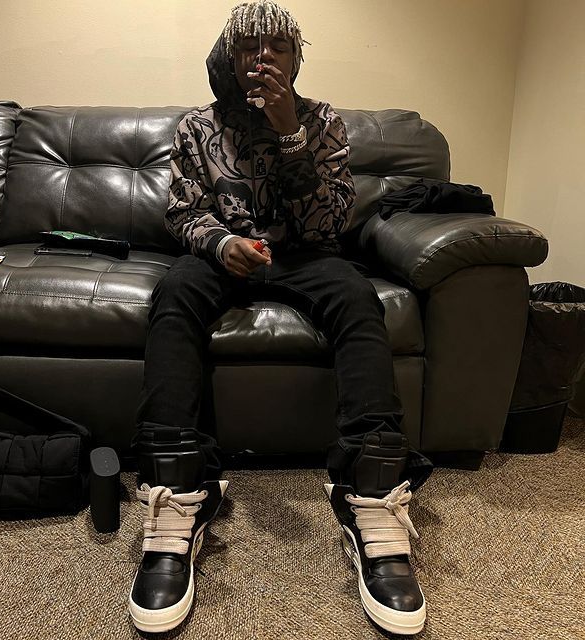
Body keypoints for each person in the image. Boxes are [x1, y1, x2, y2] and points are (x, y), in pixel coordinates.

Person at [128, 1, 433, 635]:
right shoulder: (196, 129)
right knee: (174, 294)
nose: (263, 59)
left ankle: (370, 497)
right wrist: (220, 245)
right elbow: (181, 215)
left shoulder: (324, 124)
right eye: (249, 49)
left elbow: (327, 225)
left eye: (278, 50)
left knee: (356, 297)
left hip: (306, 255)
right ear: (228, 58)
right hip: (226, 258)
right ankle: (180, 495)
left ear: (296, 61)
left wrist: (291, 132)